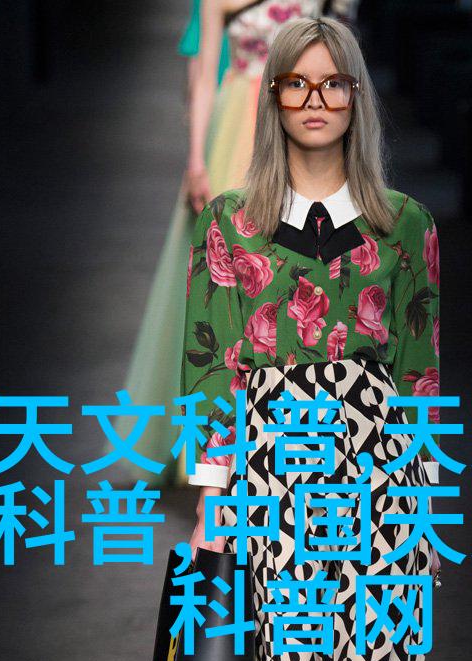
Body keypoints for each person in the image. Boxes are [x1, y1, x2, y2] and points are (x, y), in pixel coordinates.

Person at [181, 14, 441, 661]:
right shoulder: (231, 226)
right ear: (275, 97)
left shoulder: (405, 226)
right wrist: (210, 503)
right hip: (271, 479)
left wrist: (420, 503)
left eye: (335, 85)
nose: (317, 101)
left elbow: (419, 371)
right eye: (299, 84)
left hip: (378, 483)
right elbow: (207, 367)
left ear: (356, 98)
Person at [109, 0, 357, 487]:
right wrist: (195, 161)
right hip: (237, 131)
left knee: (301, 284)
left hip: (299, 131)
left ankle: (296, 433)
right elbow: (203, 78)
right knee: (226, 288)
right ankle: (220, 448)